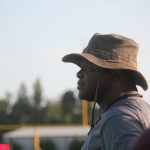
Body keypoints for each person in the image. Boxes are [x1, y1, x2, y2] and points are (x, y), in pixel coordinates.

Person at [62, 33, 150, 150]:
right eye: (81, 67)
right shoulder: (141, 108)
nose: (78, 74)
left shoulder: (118, 119)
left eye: (87, 68)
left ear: (115, 74)